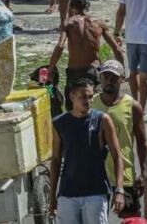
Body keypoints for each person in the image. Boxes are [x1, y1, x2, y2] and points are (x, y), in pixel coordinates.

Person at [50, 79, 125, 223]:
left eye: (90, 96)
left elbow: (117, 156)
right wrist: (52, 195)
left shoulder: (102, 120)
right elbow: (55, 160)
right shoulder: (59, 123)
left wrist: (119, 190)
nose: (88, 101)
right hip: (67, 193)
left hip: (96, 192)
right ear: (72, 97)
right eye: (83, 97)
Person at [48, 0, 124, 108]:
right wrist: (121, 72)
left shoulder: (68, 23)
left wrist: (50, 69)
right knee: (95, 106)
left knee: (73, 108)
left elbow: (60, 46)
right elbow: (117, 49)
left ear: (71, 6)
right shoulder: (99, 23)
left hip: (74, 72)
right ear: (88, 5)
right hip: (93, 70)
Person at [91, 60, 147, 219]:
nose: (109, 81)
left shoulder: (132, 106)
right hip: (96, 176)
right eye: (106, 76)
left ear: (122, 79)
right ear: (100, 78)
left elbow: (143, 142)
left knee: (131, 219)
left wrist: (144, 172)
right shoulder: (91, 103)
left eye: (114, 77)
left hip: (124, 175)